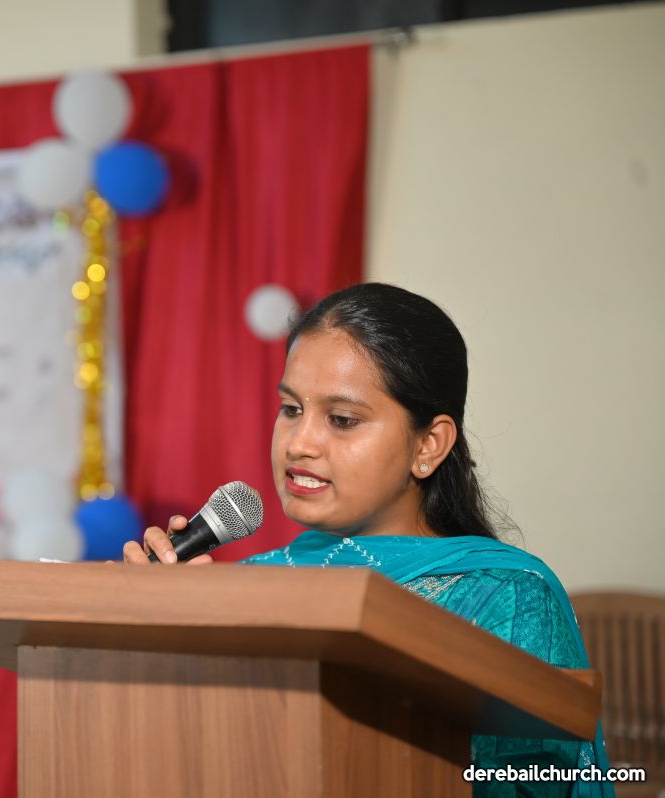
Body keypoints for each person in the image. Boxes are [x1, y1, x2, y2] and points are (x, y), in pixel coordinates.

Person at [123, 282, 613, 798]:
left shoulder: (505, 596)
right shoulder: (251, 582)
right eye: (291, 409)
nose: (299, 443)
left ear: (428, 445)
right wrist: (161, 630)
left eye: (342, 419)